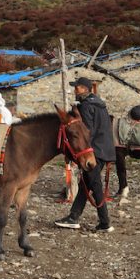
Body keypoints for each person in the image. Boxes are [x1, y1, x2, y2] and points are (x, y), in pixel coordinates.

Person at [54, 77, 115, 232]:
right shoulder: (99, 105)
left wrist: (81, 154)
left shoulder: (86, 106)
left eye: (78, 88)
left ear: (85, 89)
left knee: (95, 185)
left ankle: (105, 222)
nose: (75, 90)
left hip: (92, 152)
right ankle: (73, 217)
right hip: (104, 149)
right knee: (86, 185)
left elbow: (86, 133)